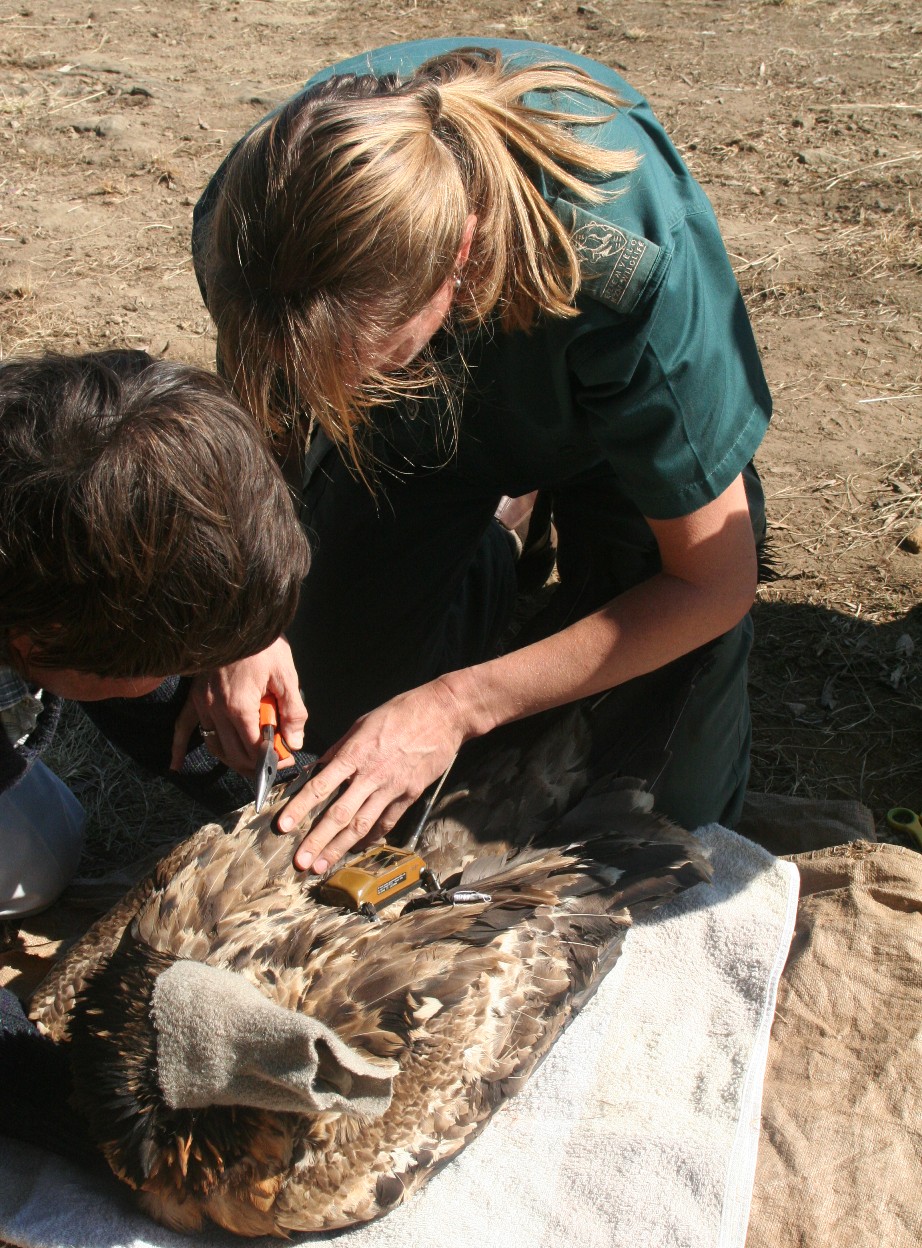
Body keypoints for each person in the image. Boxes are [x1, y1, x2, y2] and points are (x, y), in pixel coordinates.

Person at [184, 37, 771, 878]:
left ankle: (521, 515)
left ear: (459, 261)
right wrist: (247, 622)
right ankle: (497, 539)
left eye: (369, 355)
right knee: (333, 742)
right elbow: (268, 413)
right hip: (399, 430)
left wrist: (458, 705)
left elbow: (712, 581)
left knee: (656, 837)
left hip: (606, 441)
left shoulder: (622, 256)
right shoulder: (249, 226)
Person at [0, 349, 311, 922]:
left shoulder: (83, 430)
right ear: (39, 646)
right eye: (180, 660)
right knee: (29, 870)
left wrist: (290, 793)